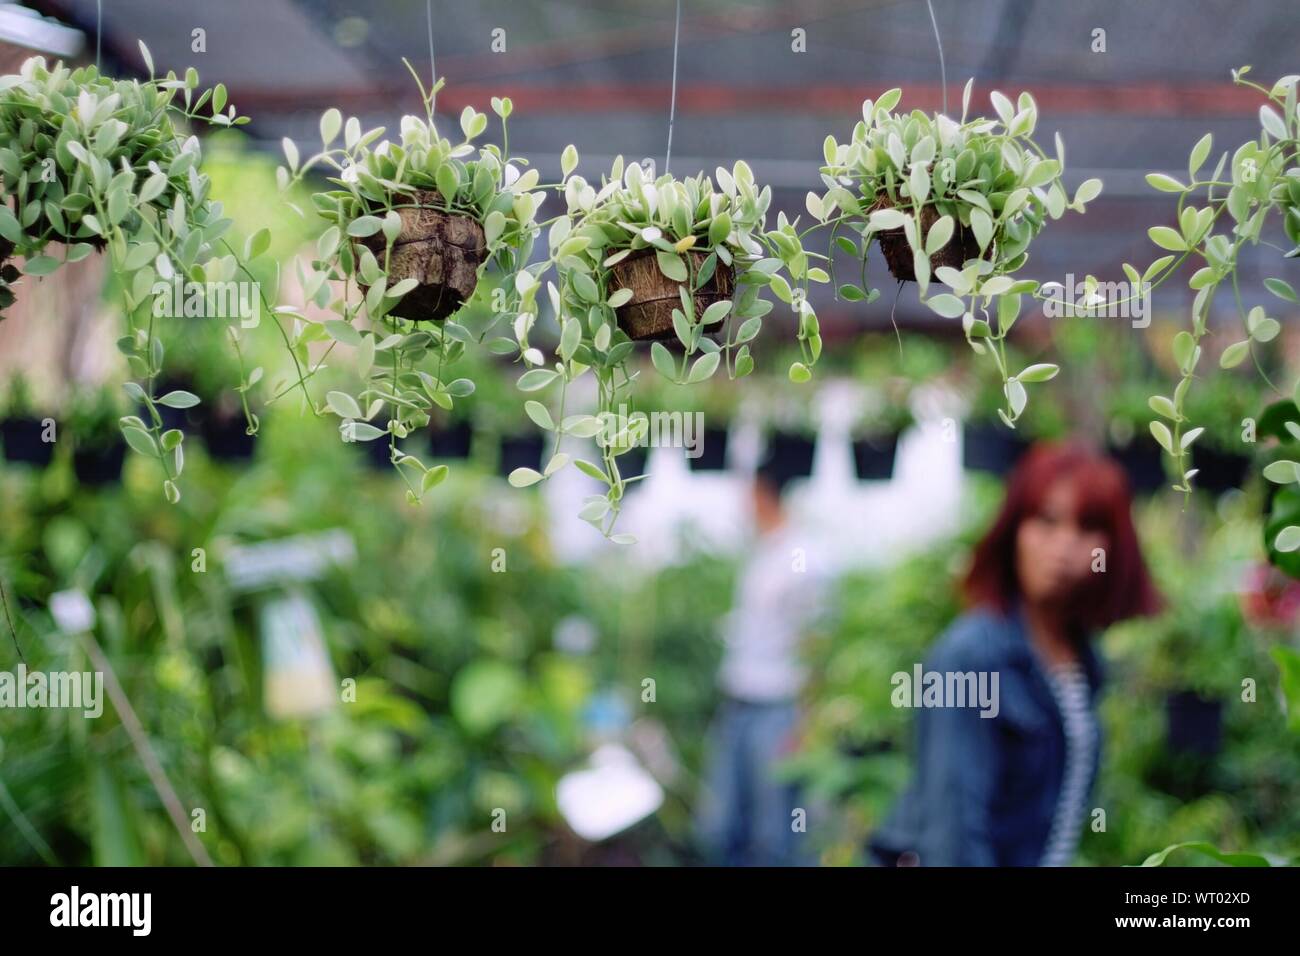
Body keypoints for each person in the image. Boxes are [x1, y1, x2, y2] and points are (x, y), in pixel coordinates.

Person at [870, 442, 1161, 867]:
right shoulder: (968, 656)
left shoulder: (1084, 661)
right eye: (1047, 521)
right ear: (1014, 531)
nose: (1064, 546)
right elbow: (953, 834)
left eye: (1087, 527)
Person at [696, 450, 824, 866]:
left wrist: (807, 722)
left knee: (775, 833)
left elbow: (816, 643)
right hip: (740, 701)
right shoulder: (764, 553)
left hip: (778, 708)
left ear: (763, 493)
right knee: (723, 824)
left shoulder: (803, 559)